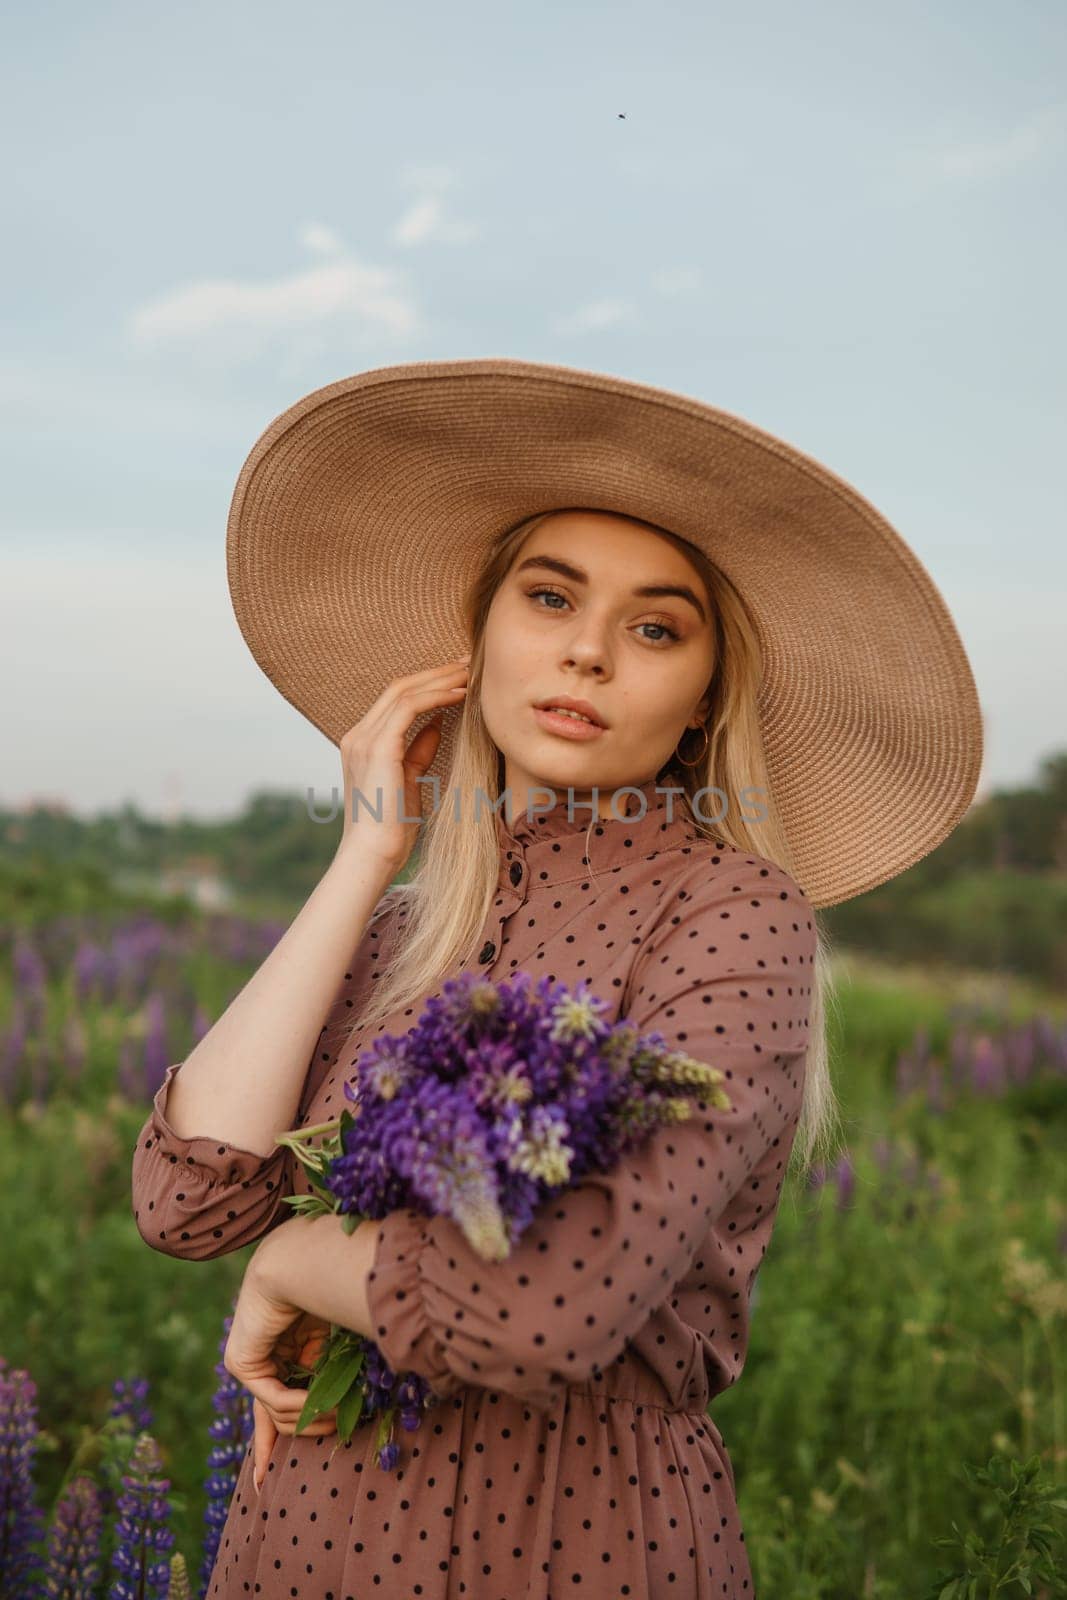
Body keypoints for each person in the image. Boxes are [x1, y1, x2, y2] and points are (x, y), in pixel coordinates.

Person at [131, 359, 983, 1598]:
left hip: (565, 1539)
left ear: (699, 700)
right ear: (477, 638)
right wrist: (367, 851)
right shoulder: (402, 928)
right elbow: (186, 1202)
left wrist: (293, 1264)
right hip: (302, 1541)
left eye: (653, 626)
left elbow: (547, 1307)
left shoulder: (732, 914)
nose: (586, 651)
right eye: (547, 596)